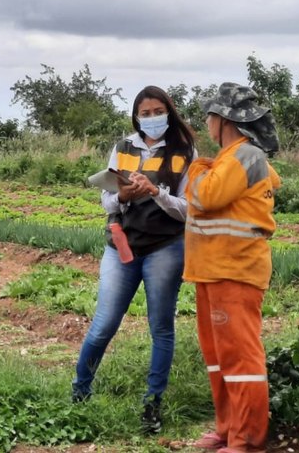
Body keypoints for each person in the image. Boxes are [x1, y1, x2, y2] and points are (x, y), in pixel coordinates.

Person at [72, 85, 196, 435]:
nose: (152, 118)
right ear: (136, 116)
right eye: (146, 113)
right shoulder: (123, 147)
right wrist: (123, 195)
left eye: (159, 111)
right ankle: (80, 392)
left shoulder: (185, 152)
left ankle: (153, 405)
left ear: (169, 112)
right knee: (103, 325)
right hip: (121, 245)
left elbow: (190, 209)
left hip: (165, 248)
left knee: (161, 327)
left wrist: (156, 193)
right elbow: (106, 198)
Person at [184, 83, 281, 453]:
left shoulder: (244, 156)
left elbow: (205, 196)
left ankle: (247, 440)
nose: (207, 122)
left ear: (223, 120)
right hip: (212, 270)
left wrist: (196, 169)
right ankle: (227, 429)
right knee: (219, 359)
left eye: (210, 116)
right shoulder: (229, 158)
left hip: (235, 271)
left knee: (241, 358)